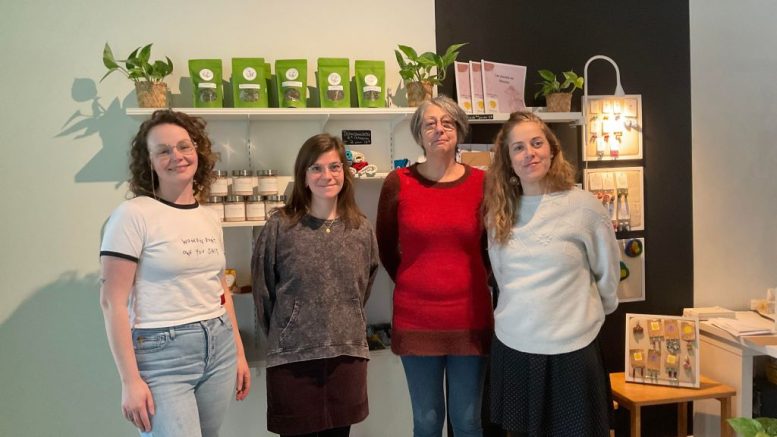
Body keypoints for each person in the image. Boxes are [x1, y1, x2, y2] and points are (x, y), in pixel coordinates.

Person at [99, 109, 251, 437]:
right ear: (149, 162)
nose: (176, 157)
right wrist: (130, 380)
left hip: (219, 344)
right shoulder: (133, 215)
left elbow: (220, 288)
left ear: (198, 151)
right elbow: (112, 302)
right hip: (162, 355)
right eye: (163, 151)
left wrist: (238, 351)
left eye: (184, 146)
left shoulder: (209, 217)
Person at [483, 111, 619, 436]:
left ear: (551, 149)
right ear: (509, 161)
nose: (529, 153)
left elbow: (608, 275)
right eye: (518, 148)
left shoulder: (585, 207)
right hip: (515, 347)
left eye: (536, 143)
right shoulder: (499, 213)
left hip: (573, 350)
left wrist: (584, 312)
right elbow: (503, 279)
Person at [376, 95, 493, 437]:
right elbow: (386, 247)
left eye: (447, 122)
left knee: (468, 421)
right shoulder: (398, 183)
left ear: (459, 130)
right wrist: (417, 282)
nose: (439, 129)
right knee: (427, 422)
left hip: (469, 319)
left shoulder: (482, 183)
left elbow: (491, 248)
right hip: (417, 320)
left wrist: (470, 281)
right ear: (419, 133)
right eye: (430, 123)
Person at [252, 133, 379, 437]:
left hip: (345, 355)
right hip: (293, 358)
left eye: (334, 167)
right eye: (316, 168)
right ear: (303, 176)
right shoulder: (280, 227)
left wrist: (343, 317)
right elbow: (264, 292)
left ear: (344, 175)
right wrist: (293, 325)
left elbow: (364, 285)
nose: (327, 176)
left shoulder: (361, 229)